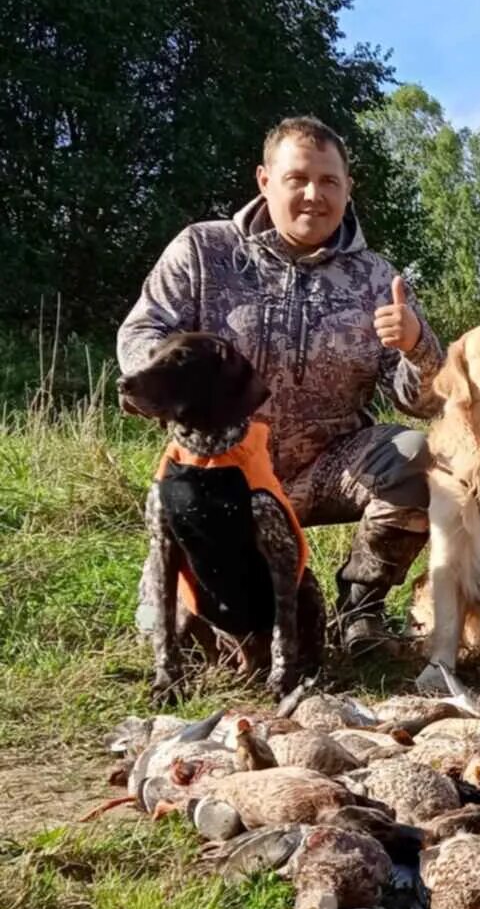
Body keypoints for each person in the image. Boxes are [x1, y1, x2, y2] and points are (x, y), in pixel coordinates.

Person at [118, 115, 442, 655]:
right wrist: (172, 386)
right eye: (298, 179)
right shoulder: (204, 251)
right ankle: (197, 604)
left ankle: (361, 613)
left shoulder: (375, 279)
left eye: (330, 181)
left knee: (424, 460)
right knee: (180, 644)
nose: (315, 195)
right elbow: (143, 331)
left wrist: (418, 345)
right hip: (219, 470)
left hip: (328, 465)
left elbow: (423, 400)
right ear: (265, 180)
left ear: (347, 188)